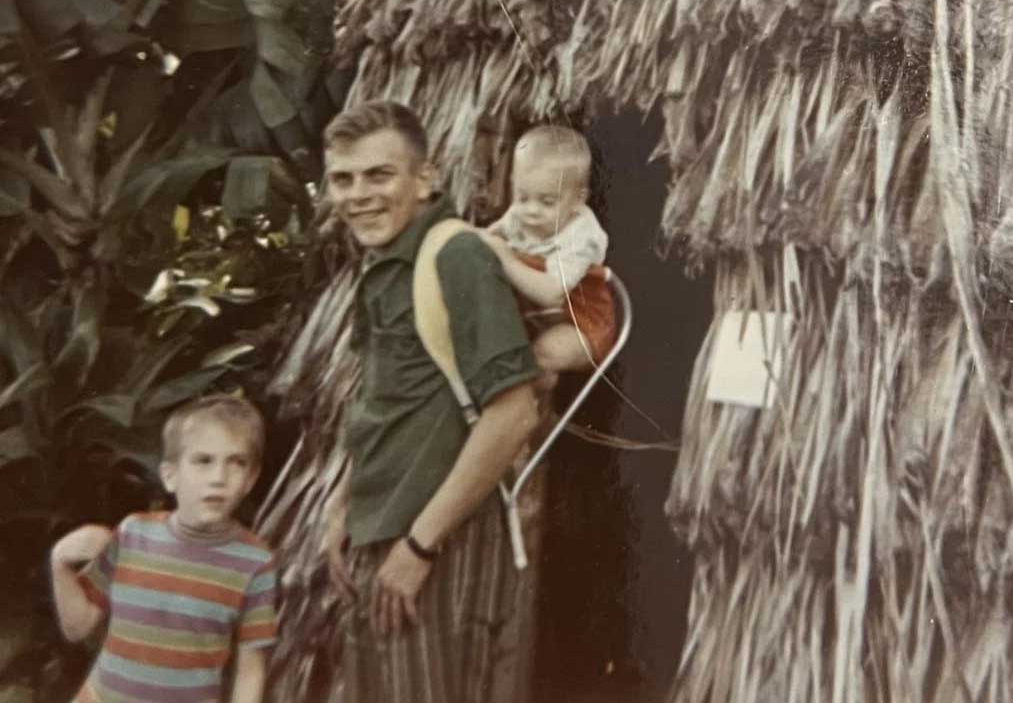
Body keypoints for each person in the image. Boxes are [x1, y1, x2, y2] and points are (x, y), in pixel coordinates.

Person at [321, 100, 541, 703]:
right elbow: (386, 403)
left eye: (379, 175)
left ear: (427, 179)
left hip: (439, 543)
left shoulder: (455, 257)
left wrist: (419, 546)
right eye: (343, 179)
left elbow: (513, 413)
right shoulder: (386, 265)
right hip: (386, 532)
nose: (358, 194)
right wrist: (347, 506)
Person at [50, 395, 278, 703]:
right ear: (170, 476)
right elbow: (77, 628)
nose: (218, 478)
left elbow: (251, 669)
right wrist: (60, 563)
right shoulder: (134, 534)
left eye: (236, 463)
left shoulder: (255, 562)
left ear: (250, 480)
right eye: (203, 461)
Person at [483, 125, 616, 389]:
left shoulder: (582, 236)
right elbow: (488, 237)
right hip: (536, 316)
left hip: (581, 324)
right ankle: (531, 416)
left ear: (578, 200)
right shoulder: (520, 212)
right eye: (522, 197)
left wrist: (505, 257)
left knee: (543, 354)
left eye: (546, 202)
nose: (531, 210)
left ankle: (530, 419)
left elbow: (552, 292)